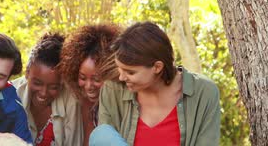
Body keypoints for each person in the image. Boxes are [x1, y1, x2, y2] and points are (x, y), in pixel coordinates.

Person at [91, 22, 221, 146]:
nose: (121, 77)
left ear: (157, 67)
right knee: (100, 134)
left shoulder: (204, 93)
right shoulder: (114, 89)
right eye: (119, 68)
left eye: (130, 72)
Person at [12, 32, 81, 146]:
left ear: (62, 82)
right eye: (37, 83)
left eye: (53, 87)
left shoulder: (71, 101)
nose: (43, 93)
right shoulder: (11, 93)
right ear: (27, 73)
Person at [58, 24, 121, 146]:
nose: (88, 86)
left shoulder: (120, 102)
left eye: (96, 79)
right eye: (82, 78)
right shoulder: (79, 101)